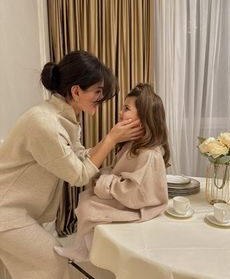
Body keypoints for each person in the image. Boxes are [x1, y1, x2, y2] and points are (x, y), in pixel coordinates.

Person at [0, 50, 142, 279]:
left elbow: (79, 157)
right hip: (5, 211)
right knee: (51, 264)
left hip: (19, 209)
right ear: (76, 91)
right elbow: (78, 175)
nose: (102, 98)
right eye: (98, 91)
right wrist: (110, 140)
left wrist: (111, 140)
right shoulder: (44, 123)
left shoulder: (66, 119)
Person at [55, 83, 170, 262]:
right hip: (125, 196)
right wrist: (101, 177)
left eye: (126, 108)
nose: (120, 112)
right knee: (85, 198)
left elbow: (135, 191)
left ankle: (98, 254)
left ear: (144, 117)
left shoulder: (148, 155)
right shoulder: (131, 146)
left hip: (141, 204)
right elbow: (117, 170)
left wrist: (104, 183)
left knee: (90, 208)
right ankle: (82, 248)